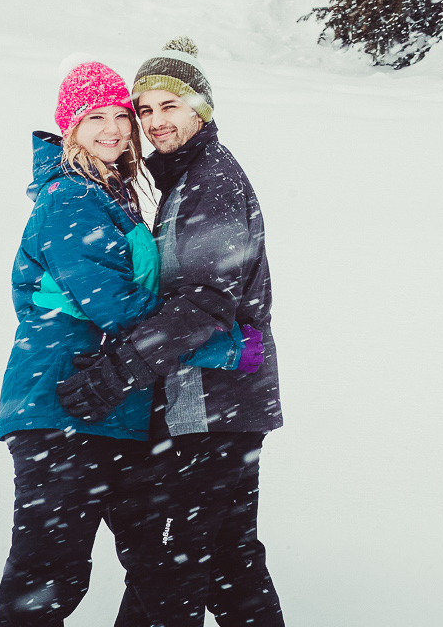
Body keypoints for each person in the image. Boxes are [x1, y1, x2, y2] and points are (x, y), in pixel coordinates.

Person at [0, 58, 244, 625]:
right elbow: (117, 306)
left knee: (163, 570)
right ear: (70, 129)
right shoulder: (69, 198)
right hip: (61, 409)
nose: (112, 128)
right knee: (49, 575)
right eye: (92, 117)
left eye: (120, 115)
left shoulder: (115, 194)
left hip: (118, 410)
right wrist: (216, 345)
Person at [58, 37, 286, 627]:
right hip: (218, 401)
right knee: (226, 560)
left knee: (174, 564)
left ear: (200, 110)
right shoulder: (187, 181)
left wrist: (119, 370)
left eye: (170, 106)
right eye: (146, 109)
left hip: (214, 404)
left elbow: (207, 304)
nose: (155, 121)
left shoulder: (212, 181)